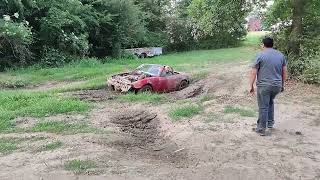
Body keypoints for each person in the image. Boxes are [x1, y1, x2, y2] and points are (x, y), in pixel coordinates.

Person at [249, 37, 287, 136]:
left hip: (264, 86)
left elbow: (254, 72)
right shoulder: (280, 55)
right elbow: (284, 71)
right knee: (270, 102)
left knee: (263, 106)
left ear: (263, 45)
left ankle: (261, 128)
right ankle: (270, 123)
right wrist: (282, 84)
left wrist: (251, 85)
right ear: (272, 44)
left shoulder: (260, 55)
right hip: (277, 85)